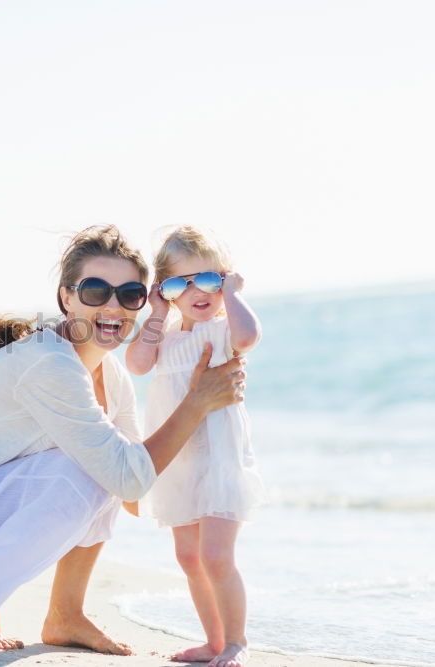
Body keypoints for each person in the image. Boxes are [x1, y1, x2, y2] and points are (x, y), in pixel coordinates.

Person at [0, 225, 247, 657]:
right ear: (66, 298)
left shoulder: (111, 376)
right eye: (96, 290)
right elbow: (130, 479)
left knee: (109, 461)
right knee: (101, 464)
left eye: (130, 293)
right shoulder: (48, 365)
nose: (114, 306)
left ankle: (65, 614)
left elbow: (133, 490)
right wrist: (196, 402)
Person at [124, 225, 264, 667]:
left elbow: (248, 338)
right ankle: (214, 641)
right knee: (188, 557)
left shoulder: (222, 329)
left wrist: (236, 294)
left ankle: (238, 641)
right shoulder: (163, 338)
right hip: (179, 463)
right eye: (178, 284)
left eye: (207, 280)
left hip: (220, 459)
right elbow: (137, 364)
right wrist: (156, 314)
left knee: (216, 556)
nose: (196, 292)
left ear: (223, 282)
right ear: (164, 291)